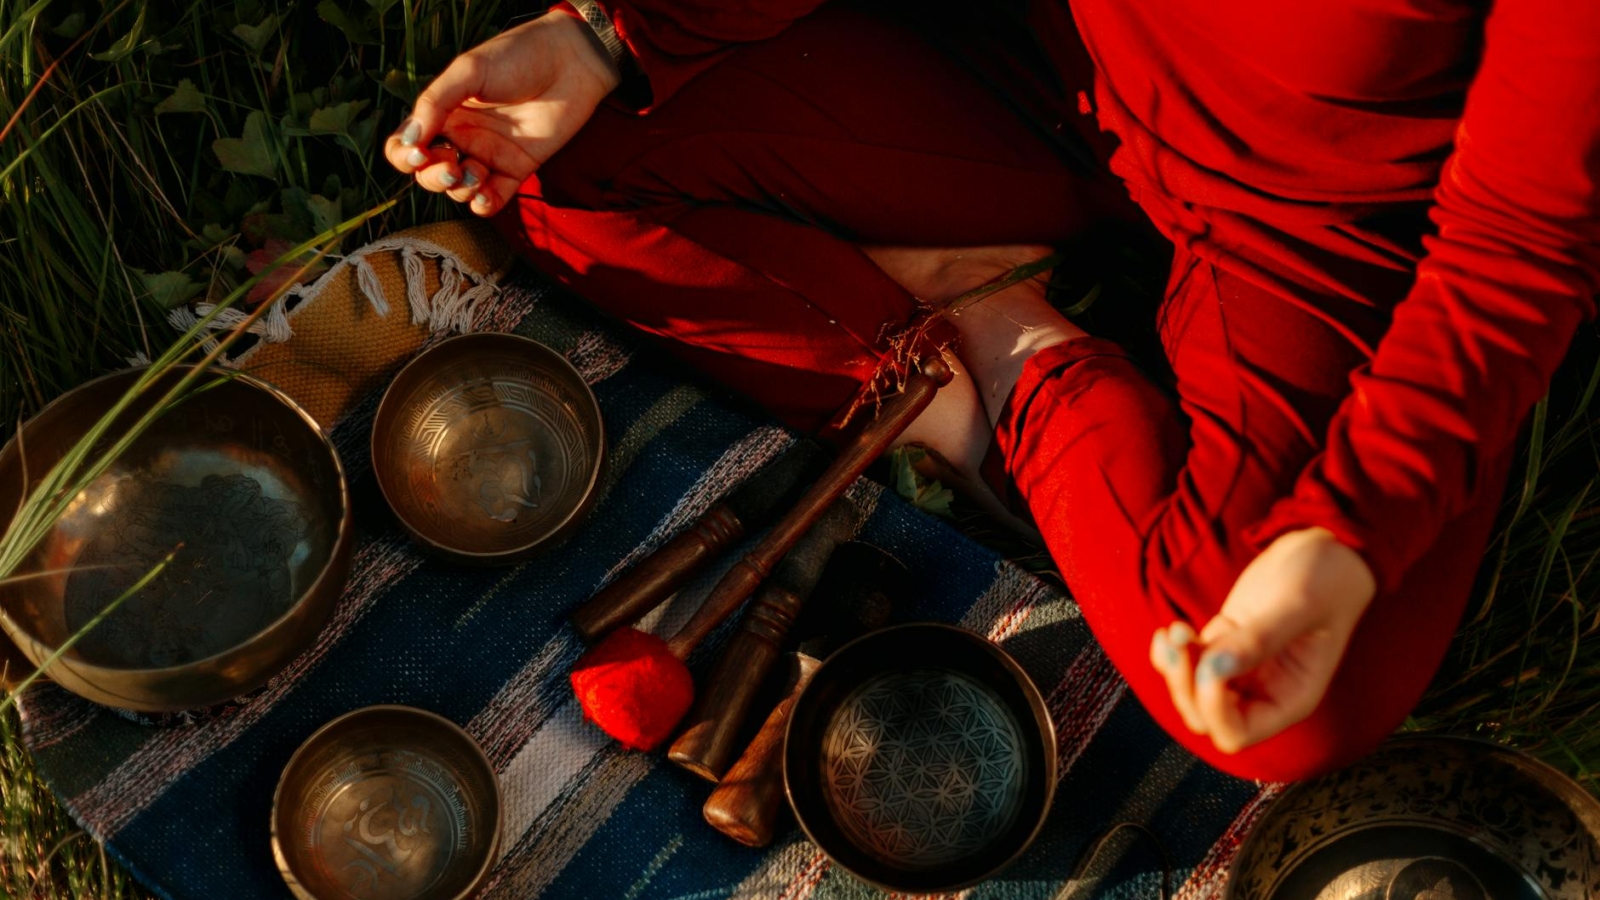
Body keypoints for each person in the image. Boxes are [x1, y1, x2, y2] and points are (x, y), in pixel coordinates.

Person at [382, 0, 1600, 782]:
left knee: (1288, 712)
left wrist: (1346, 534)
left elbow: (1519, 252)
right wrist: (617, 30)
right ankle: (956, 354)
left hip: (1318, 232)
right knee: (554, 165)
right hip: (1023, 63)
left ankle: (997, 338)